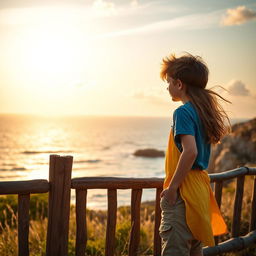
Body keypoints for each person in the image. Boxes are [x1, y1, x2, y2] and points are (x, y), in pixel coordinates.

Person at [159, 52, 230, 256]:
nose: (167, 87)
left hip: (184, 191)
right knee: (194, 250)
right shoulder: (203, 112)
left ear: (179, 84)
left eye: (169, 82)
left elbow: (190, 152)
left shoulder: (182, 112)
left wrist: (172, 188)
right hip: (199, 190)